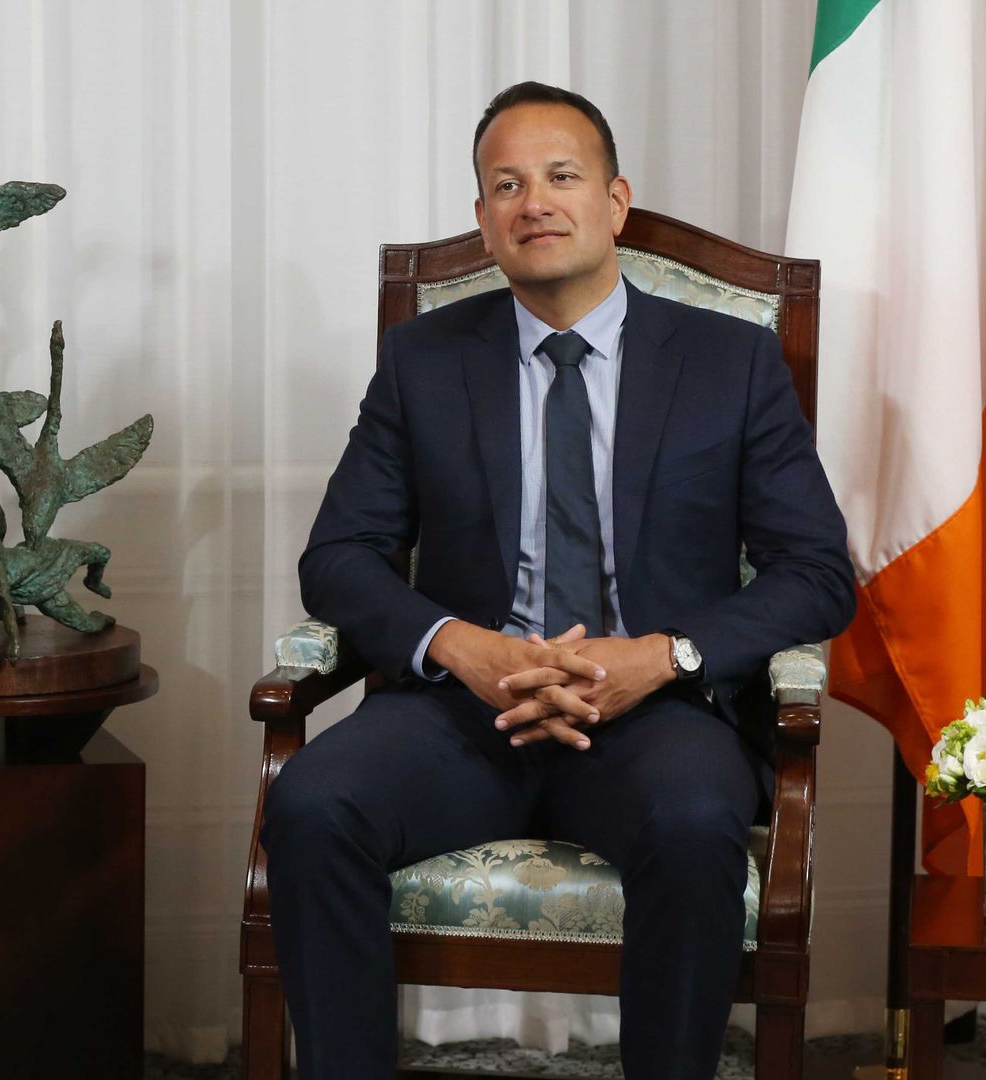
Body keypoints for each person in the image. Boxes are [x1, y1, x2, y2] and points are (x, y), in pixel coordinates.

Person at [262, 81, 855, 1079]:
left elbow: (817, 571)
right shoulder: (424, 361)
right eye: (507, 185)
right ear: (484, 219)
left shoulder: (732, 362)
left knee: (696, 821)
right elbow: (338, 556)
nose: (533, 202)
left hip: (657, 715)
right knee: (313, 805)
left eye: (561, 176)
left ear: (615, 202)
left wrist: (664, 656)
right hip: (462, 713)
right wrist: (463, 648)